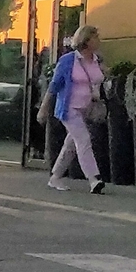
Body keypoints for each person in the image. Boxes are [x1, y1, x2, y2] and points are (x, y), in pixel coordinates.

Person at [44, 26, 107, 194]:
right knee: (84, 140)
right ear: (86, 41)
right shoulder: (68, 60)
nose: (98, 39)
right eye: (95, 37)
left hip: (87, 109)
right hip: (69, 108)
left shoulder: (97, 60)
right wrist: (43, 108)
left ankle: (55, 176)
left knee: (71, 144)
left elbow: (99, 79)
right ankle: (94, 179)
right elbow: (54, 85)